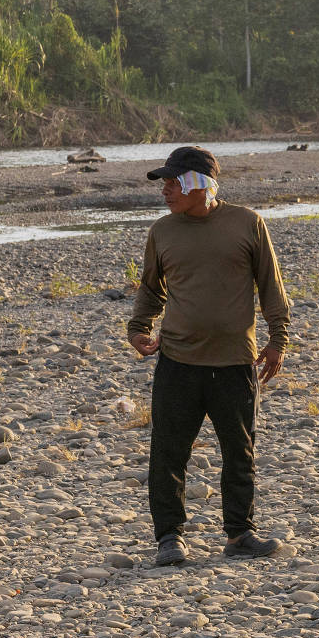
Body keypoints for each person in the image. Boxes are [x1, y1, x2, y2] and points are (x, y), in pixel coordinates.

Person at [126, 146, 290, 567]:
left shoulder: (247, 223)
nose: (165, 190)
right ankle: (169, 538)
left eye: (172, 181)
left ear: (200, 184)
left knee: (240, 451)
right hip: (178, 362)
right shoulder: (162, 231)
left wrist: (277, 341)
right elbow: (151, 288)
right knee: (168, 453)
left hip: (236, 363)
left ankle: (239, 534)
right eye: (164, 182)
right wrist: (139, 328)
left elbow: (271, 286)